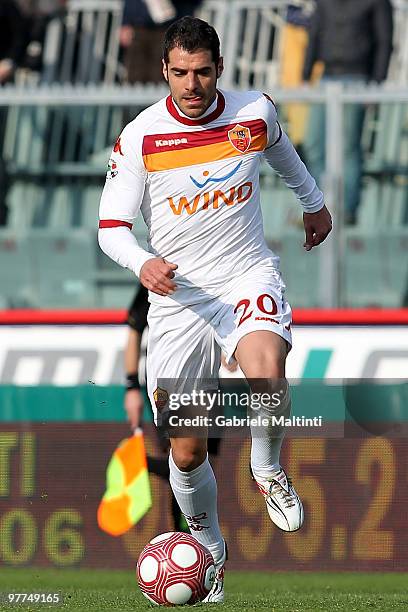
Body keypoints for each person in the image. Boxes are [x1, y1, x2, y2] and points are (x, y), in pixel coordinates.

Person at [99, 16, 332, 602]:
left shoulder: (254, 111)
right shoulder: (141, 137)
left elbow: (282, 151)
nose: (192, 85)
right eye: (180, 73)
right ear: (164, 71)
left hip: (244, 274)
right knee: (185, 447)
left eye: (203, 72)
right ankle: (209, 545)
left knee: (267, 372)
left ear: (220, 69)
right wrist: (141, 263)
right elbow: (111, 228)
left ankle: (267, 468)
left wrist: (313, 202)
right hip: (180, 300)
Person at [302, 0, 394, 224]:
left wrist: (376, 84)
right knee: (313, 143)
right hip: (326, 78)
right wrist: (305, 76)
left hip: (358, 79)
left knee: (348, 148)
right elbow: (315, 32)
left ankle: (347, 212)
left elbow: (384, 42)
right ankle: (321, 207)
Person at [120, 0, 202, 84]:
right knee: (135, 73)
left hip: (170, 27)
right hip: (139, 26)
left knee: (161, 73)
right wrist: (125, 22)